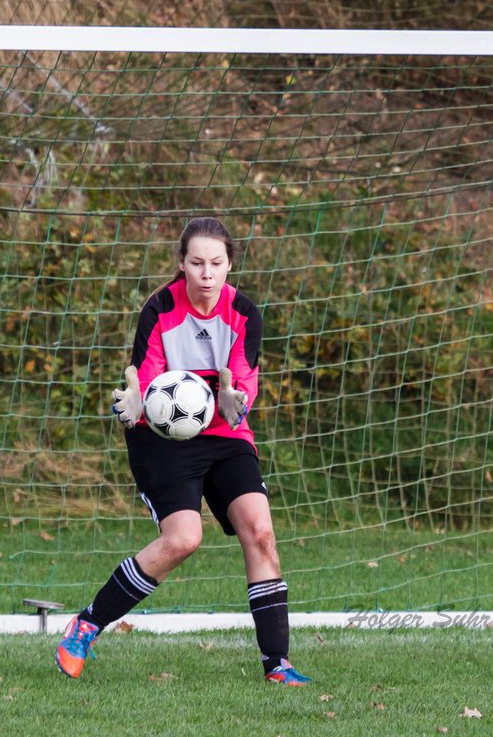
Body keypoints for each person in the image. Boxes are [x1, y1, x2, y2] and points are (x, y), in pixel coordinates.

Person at [54, 216, 309, 686]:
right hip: (162, 436)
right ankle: (86, 625)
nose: (207, 273)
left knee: (261, 530)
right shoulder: (160, 307)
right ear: (181, 264)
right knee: (184, 539)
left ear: (230, 264)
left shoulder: (246, 312)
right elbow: (145, 373)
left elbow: (241, 375)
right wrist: (135, 399)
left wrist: (237, 400)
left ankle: (278, 664)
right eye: (197, 263)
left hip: (225, 433)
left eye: (216, 263)